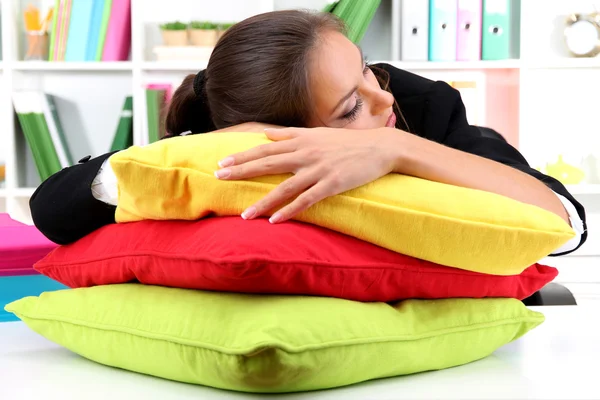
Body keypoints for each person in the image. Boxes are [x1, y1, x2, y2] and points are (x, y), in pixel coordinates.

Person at [30, 9, 586, 256]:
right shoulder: (219, 141)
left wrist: (394, 145)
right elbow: (55, 209)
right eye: (349, 110)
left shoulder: (416, 104)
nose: (381, 98)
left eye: (365, 67)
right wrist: (197, 150)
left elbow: (566, 223)